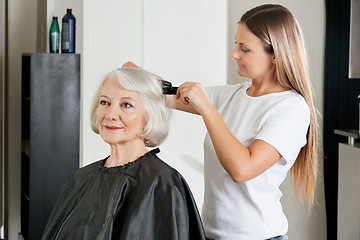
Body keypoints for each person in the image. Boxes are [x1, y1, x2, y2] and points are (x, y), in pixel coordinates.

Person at [124, 3, 318, 240]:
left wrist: (206, 107)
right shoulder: (232, 95)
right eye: (236, 44)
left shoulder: (291, 108)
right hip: (210, 234)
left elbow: (242, 169)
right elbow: (164, 96)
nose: (234, 54)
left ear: (276, 55)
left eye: (245, 49)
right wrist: (133, 75)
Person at [41, 67, 206, 240]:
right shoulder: (80, 179)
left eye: (126, 105)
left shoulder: (162, 183)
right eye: (104, 102)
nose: (111, 114)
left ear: (149, 116)